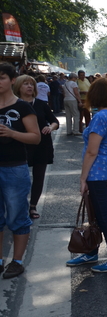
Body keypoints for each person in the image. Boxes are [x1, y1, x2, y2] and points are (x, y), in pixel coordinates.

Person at [65, 78, 107, 272]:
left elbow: (92, 151)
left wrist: (83, 178)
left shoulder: (100, 117)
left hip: (96, 172)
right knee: (97, 215)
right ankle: (92, 252)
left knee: (103, 216)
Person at [0, 63, 41, 279]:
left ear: (12, 80)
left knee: (17, 216)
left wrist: (12, 133)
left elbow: (35, 137)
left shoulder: (22, 107)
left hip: (14, 168)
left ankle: (17, 261)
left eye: (2, 78)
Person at [13, 75, 58, 220]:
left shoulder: (40, 104)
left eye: (31, 84)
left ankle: (33, 206)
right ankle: (18, 206)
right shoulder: (14, 105)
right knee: (19, 178)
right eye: (25, 84)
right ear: (18, 87)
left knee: (39, 177)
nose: (29, 86)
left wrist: (50, 127)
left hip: (41, 144)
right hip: (20, 145)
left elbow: (54, 121)